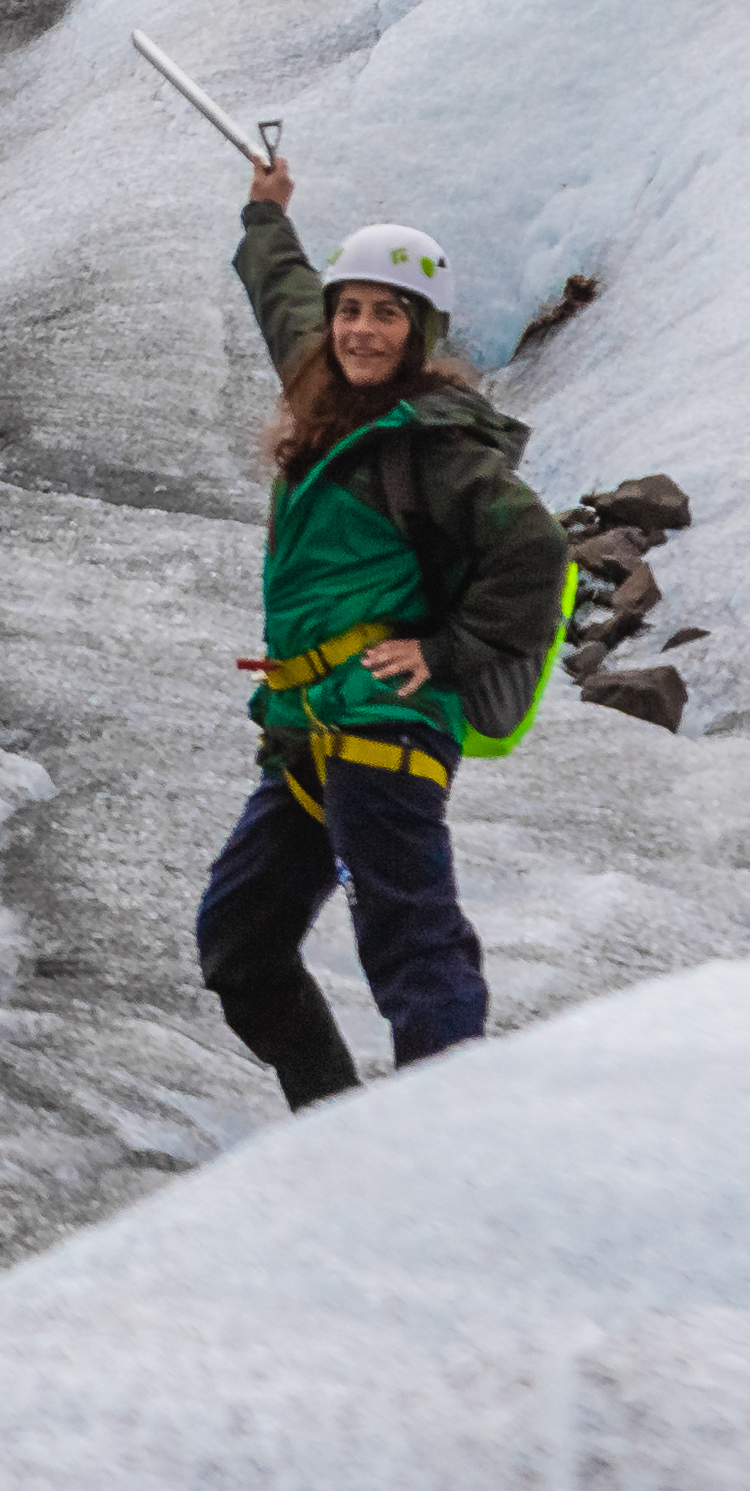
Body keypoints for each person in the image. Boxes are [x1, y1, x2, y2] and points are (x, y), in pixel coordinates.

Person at [190, 149, 566, 1106]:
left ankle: (440, 1143)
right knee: (240, 944)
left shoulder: (436, 445)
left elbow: (538, 556)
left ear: (420, 331)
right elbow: (283, 299)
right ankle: (337, 1127)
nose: (360, 329)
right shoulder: (327, 395)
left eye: (386, 313)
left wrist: (443, 653)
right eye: (350, 307)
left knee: (412, 944)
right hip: (309, 724)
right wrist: (264, 212)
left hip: (387, 725)